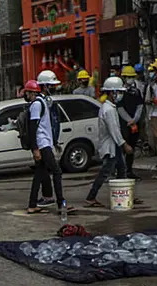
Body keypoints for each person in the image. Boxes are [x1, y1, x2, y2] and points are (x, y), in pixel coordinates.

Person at [24, 76, 76, 216]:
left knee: (39, 174)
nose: (53, 88)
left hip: (44, 142)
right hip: (42, 144)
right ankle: (61, 204)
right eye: (50, 85)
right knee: (57, 172)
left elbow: (46, 126)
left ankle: (32, 205)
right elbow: (33, 128)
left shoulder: (41, 102)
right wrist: (36, 149)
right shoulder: (36, 104)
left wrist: (54, 142)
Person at [84, 77, 132, 208]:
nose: (120, 95)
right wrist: (124, 144)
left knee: (122, 169)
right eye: (118, 92)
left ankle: (125, 194)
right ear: (112, 93)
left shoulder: (109, 107)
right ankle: (91, 196)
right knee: (105, 172)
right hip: (111, 146)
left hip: (114, 145)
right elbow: (114, 130)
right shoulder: (108, 109)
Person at [118, 66, 143, 179]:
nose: (130, 79)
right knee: (124, 147)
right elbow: (120, 108)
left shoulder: (136, 91)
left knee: (132, 147)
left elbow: (140, 106)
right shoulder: (120, 92)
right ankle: (120, 172)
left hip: (134, 123)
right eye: (128, 77)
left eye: (131, 77)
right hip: (124, 124)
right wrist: (129, 120)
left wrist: (135, 120)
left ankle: (129, 170)